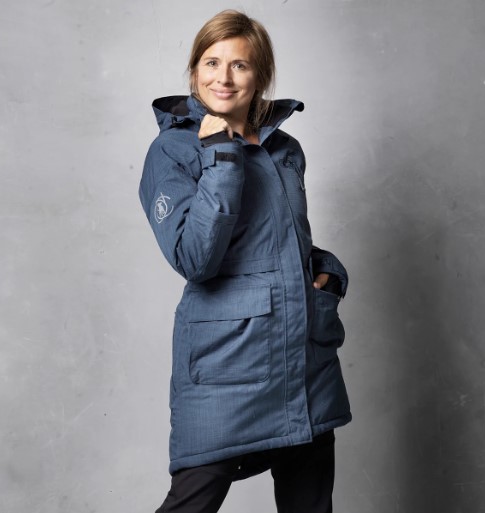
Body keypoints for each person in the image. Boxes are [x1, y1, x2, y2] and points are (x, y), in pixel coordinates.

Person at [139, 10, 351, 513]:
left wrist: (328, 274)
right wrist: (221, 155)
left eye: (240, 65)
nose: (224, 78)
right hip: (228, 366)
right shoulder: (172, 151)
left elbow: (281, 239)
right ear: (194, 70)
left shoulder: (285, 149)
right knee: (192, 501)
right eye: (211, 62)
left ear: (260, 76)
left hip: (303, 361)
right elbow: (196, 259)